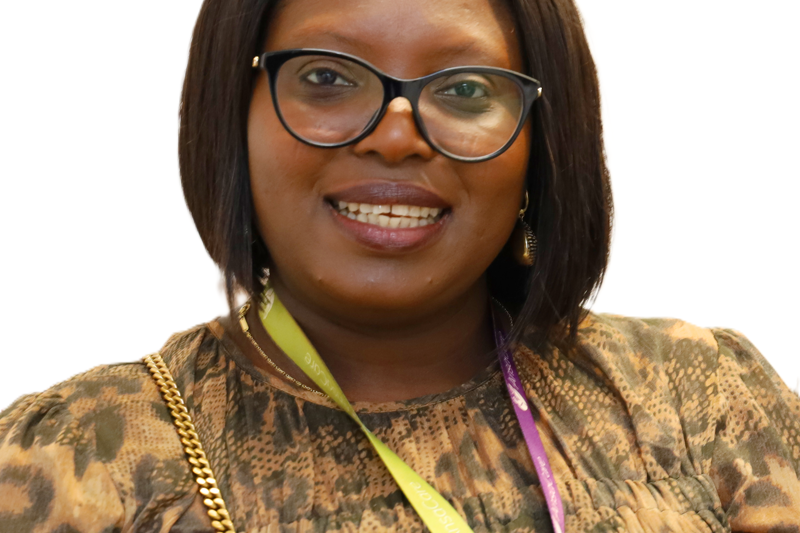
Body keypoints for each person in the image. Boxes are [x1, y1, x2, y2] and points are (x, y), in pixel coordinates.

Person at [1, 0, 798, 531]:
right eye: (325, 78)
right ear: (229, 117)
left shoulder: (698, 401)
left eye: (466, 89)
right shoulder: (77, 459)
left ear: (542, 146)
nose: (395, 135)